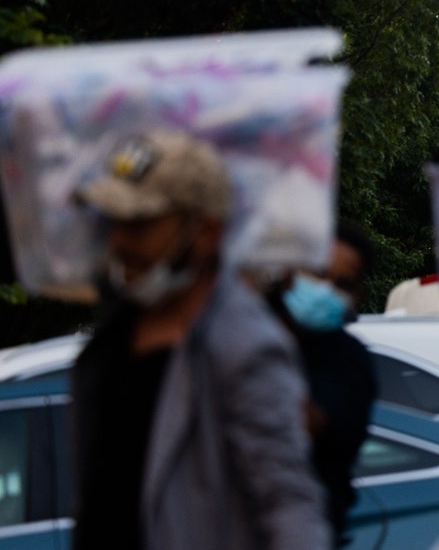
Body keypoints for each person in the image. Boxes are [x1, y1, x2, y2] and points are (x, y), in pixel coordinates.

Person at [71, 130, 330, 550]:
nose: (118, 241)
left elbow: (288, 501)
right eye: (114, 222)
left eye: (139, 224)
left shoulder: (244, 344)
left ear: (205, 231)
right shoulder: (117, 331)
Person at [265, 220, 378, 546]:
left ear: (356, 294)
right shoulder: (256, 334)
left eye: (342, 283)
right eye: (317, 274)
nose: (325, 289)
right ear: (289, 271)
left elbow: (309, 424)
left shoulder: (348, 359)